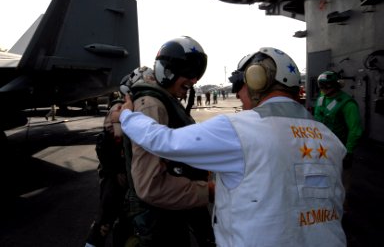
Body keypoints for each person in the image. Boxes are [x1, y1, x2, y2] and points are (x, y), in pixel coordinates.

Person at [114, 47, 347, 247]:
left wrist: (127, 116)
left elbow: (162, 141)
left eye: (240, 84)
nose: (237, 93)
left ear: (258, 80)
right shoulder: (329, 138)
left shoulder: (241, 129)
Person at [122, 36, 215, 247]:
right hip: (159, 219)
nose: (194, 81)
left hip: (172, 209)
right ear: (168, 70)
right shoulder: (152, 106)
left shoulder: (166, 98)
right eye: (190, 72)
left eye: (197, 74)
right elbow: (151, 186)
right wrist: (208, 191)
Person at [85, 67, 155, 247]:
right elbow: (113, 140)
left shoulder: (135, 107)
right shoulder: (119, 109)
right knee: (105, 219)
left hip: (129, 173)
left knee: (127, 221)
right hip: (116, 174)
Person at [314, 71, 363, 168]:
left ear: (336, 85)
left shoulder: (348, 104)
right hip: (319, 146)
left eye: (327, 86)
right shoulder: (322, 98)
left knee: (341, 177)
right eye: (321, 86)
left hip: (337, 148)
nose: (324, 89)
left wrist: (349, 152)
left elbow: (355, 130)